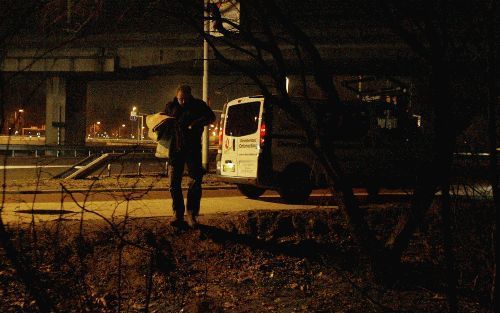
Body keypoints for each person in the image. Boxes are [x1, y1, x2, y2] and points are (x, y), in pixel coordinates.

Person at [164, 84, 216, 228]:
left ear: (190, 96)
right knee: (174, 184)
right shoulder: (171, 106)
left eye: (185, 99)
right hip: (175, 150)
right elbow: (162, 121)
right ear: (177, 96)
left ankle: (192, 215)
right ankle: (178, 214)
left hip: (193, 150)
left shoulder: (198, 105)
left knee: (195, 182)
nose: (183, 102)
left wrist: (197, 123)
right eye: (180, 99)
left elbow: (211, 117)